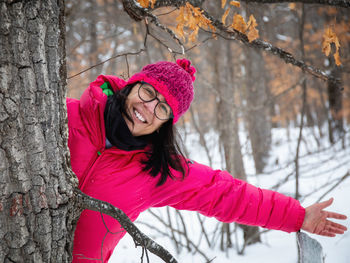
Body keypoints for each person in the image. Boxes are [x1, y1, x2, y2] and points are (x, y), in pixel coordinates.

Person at [67, 59, 347, 262]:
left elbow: (223, 193)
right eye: (148, 93)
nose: (148, 108)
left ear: (165, 123)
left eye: (162, 108)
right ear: (131, 86)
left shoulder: (155, 171)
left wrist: (297, 216)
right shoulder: (64, 116)